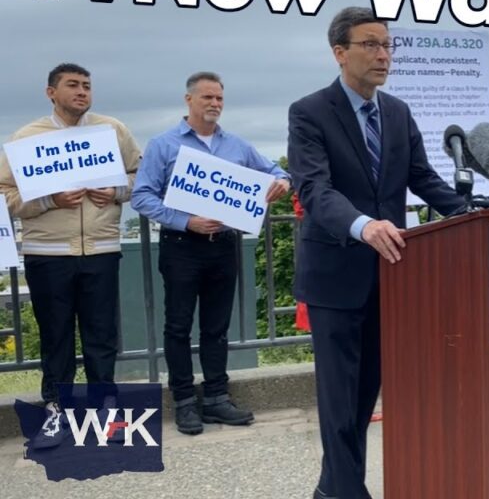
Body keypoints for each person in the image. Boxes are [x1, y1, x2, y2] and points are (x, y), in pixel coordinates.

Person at [287, 6, 465, 499]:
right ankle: (347, 492)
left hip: (391, 279)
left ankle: (331, 490)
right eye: (370, 44)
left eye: (387, 45)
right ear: (339, 52)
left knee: (363, 399)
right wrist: (362, 226)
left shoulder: (398, 112)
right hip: (336, 276)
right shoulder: (309, 112)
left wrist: (474, 211)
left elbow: (423, 178)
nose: (383, 54)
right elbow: (315, 189)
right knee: (339, 403)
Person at [131, 71, 291, 435]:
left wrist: (282, 181)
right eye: (207, 98)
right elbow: (142, 195)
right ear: (189, 100)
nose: (215, 104)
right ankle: (185, 402)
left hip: (224, 246)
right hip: (182, 246)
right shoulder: (163, 144)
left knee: (217, 327)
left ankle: (217, 398)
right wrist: (186, 221)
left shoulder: (236, 145)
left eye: (219, 98)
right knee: (178, 326)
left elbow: (276, 171)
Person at [0, 63, 142, 448]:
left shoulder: (113, 130)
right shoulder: (27, 138)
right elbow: (6, 195)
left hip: (101, 249)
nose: (82, 92)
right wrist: (48, 199)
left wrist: (113, 193)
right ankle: (56, 412)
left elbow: (139, 176)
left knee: (101, 336)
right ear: (51, 92)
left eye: (87, 86)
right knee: (56, 337)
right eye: (73, 85)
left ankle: (106, 413)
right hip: (47, 253)